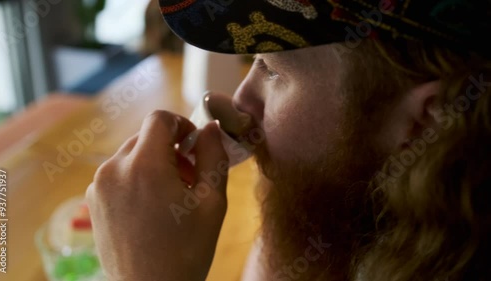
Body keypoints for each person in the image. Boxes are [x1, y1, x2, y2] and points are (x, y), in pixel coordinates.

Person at [85, 0, 491, 280]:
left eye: (273, 70)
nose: (242, 100)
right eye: (254, 61)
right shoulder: (363, 208)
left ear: (426, 121)